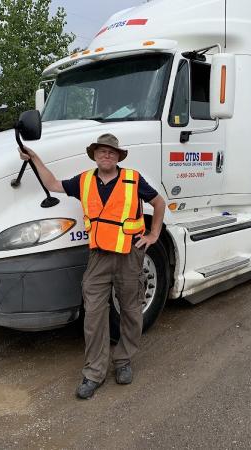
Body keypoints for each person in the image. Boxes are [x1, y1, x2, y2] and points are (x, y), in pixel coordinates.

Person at [18, 133, 166, 399]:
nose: (106, 155)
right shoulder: (84, 181)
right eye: (101, 151)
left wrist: (154, 235)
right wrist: (34, 158)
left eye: (111, 152)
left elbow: (158, 203)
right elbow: (51, 183)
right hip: (98, 257)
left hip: (129, 255)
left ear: (118, 156)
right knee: (94, 313)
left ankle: (123, 361)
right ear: (95, 155)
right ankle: (94, 372)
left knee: (131, 310)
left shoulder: (133, 179)